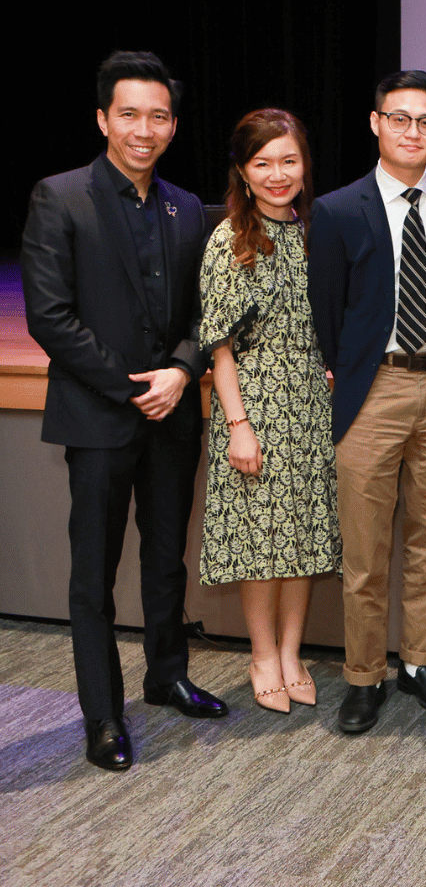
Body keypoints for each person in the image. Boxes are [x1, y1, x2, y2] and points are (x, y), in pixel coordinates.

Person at [21, 50, 228, 771]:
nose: (146, 129)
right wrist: (136, 384)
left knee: (166, 557)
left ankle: (166, 675)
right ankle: (102, 715)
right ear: (104, 118)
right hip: (100, 417)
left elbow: (210, 311)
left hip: (173, 414)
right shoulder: (62, 196)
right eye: (131, 114)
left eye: (160, 116)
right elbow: (50, 317)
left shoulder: (185, 208)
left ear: (173, 125)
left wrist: (182, 370)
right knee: (95, 574)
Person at [308, 69, 426, 734]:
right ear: (376, 123)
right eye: (401, 118)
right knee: (366, 549)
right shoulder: (337, 209)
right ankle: (363, 675)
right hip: (372, 389)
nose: (415, 132)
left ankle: (421, 662)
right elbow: (326, 312)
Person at [198, 109, 341, 714]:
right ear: (243, 171)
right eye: (264, 163)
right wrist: (237, 426)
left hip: (310, 403)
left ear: (305, 165)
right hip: (251, 403)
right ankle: (262, 655)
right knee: (262, 541)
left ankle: (292, 651)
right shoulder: (231, 236)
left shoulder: (316, 230)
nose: (278, 174)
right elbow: (220, 345)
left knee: (303, 535)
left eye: (289, 160)